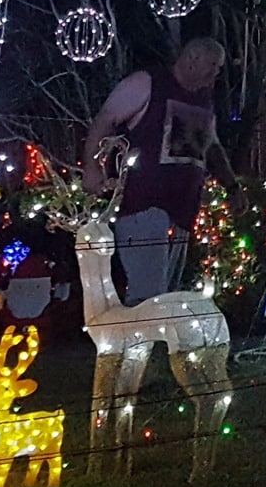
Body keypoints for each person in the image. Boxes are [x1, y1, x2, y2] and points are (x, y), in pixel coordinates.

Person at [82, 37, 242, 303]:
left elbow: (212, 146)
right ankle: (139, 342)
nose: (217, 73)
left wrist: (232, 186)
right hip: (143, 206)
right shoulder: (147, 83)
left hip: (182, 210)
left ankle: (151, 342)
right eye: (213, 65)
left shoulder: (204, 99)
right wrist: (92, 167)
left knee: (165, 297)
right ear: (192, 58)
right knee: (149, 298)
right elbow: (105, 120)